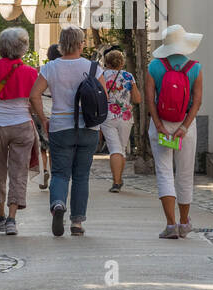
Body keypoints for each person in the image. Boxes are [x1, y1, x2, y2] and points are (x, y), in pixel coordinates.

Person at [30, 28, 99, 237]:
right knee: (81, 176)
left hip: (60, 126)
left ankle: (58, 204)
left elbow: (34, 95)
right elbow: (103, 96)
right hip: (88, 128)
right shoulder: (93, 67)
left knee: (60, 173)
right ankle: (77, 223)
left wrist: (43, 118)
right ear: (81, 44)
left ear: (61, 44)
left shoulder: (50, 67)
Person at [145, 24, 203, 239]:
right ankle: (184, 222)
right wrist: (185, 127)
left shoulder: (154, 66)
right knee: (185, 173)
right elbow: (197, 102)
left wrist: (159, 125)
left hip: (161, 124)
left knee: (164, 173)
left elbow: (150, 99)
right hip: (184, 126)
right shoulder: (194, 67)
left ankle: (170, 225)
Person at [0, 27, 39, 235]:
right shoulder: (32, 72)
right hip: (23, 125)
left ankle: (0, 214)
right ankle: (12, 219)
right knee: (18, 172)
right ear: (23, 48)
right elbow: (34, 102)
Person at [98, 48, 140, 191]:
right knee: (121, 149)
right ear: (121, 62)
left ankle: (116, 182)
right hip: (125, 116)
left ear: (106, 63)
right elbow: (137, 99)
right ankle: (119, 179)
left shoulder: (101, 75)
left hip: (107, 115)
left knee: (114, 149)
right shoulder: (129, 76)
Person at [33, 43, 60, 189]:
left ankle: (43, 172)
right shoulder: (63, 70)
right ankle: (54, 175)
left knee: (41, 146)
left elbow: (33, 92)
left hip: (40, 109)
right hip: (56, 110)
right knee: (53, 147)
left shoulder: (41, 70)